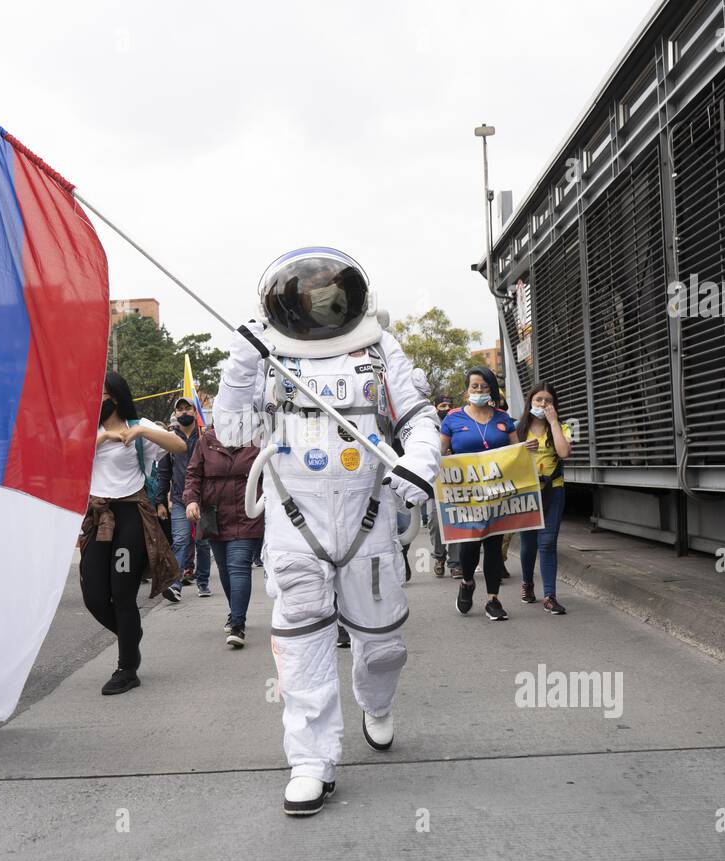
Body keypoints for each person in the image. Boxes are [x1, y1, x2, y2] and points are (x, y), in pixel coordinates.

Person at [212, 247, 441, 816]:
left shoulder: (377, 347)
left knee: (384, 645)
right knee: (303, 646)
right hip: (297, 522)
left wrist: (420, 463)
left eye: (327, 287)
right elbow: (233, 432)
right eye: (306, 288)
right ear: (287, 299)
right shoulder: (266, 355)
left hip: (369, 518)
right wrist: (242, 362)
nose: (318, 297)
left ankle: (376, 703)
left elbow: (418, 417)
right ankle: (311, 761)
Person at [78, 372, 184, 695]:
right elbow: (69, 456)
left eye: (103, 394)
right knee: (95, 596)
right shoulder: (87, 430)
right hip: (98, 518)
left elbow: (179, 445)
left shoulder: (139, 426)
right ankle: (131, 634)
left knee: (123, 593)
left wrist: (139, 430)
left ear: (116, 397)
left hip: (130, 516)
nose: (98, 400)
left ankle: (127, 668)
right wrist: (103, 438)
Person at [440, 367, 518, 622]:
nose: (480, 391)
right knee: (470, 546)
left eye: (485, 387)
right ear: (466, 392)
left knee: (494, 544)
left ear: (492, 390)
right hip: (467, 495)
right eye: (475, 387)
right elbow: (441, 455)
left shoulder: (503, 418)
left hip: (497, 493)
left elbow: (516, 451)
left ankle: (493, 600)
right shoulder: (452, 419)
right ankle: (467, 581)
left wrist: (525, 450)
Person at [183, 423, 263, 648]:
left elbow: (272, 476)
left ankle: (238, 623)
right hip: (214, 517)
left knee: (238, 566)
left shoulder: (257, 439)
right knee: (226, 570)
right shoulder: (206, 441)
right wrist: (190, 500)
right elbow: (193, 475)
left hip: (247, 514)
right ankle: (235, 611)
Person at [517, 382, 571, 615]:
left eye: (548, 400)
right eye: (538, 400)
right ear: (530, 401)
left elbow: (564, 452)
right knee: (528, 543)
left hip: (553, 490)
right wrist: (520, 447)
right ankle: (527, 584)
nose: (542, 404)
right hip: (526, 492)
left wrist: (553, 423)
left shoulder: (563, 427)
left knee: (547, 543)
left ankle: (550, 595)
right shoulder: (517, 428)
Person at [156, 397, 211, 601]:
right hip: (179, 499)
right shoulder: (168, 439)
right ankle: (175, 585)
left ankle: (203, 582)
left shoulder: (205, 438)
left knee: (203, 543)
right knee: (180, 541)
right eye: (180, 410)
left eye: (188, 408)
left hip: (204, 499)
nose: (184, 412)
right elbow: (163, 473)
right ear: (175, 414)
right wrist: (160, 501)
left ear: (195, 412)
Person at [430, 394, 457, 578]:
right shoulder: (428, 425)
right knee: (435, 521)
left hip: (456, 478)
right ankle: (439, 556)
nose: (446, 408)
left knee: (455, 519)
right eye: (442, 405)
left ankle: (455, 563)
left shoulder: (457, 422)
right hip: (435, 478)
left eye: (449, 405)